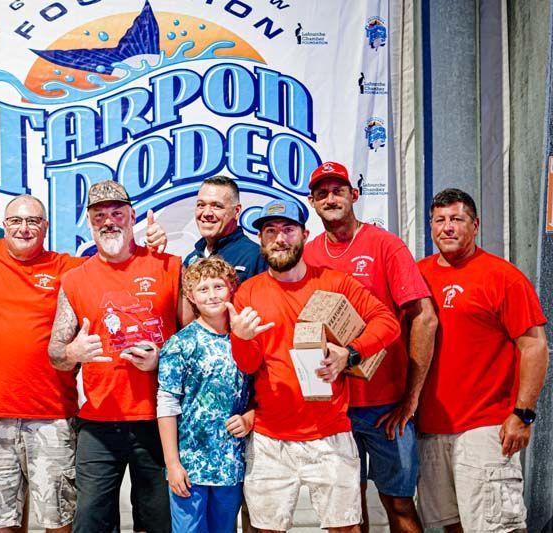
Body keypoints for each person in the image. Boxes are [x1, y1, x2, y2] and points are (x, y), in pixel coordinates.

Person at [0, 192, 168, 533]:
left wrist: (151, 245)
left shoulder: (68, 268)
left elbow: (114, 263)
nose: (24, 228)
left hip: (52, 418)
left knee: (60, 520)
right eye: (15, 221)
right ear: (3, 225)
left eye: (32, 222)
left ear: (45, 227)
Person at [228, 198, 401, 533]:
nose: (280, 238)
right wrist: (242, 338)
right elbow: (248, 365)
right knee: (264, 530)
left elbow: (387, 323)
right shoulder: (248, 292)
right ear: (261, 240)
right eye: (271, 231)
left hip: (330, 434)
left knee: (345, 529)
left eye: (288, 230)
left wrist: (349, 353)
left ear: (305, 235)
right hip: (270, 437)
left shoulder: (335, 282)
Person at [303, 161, 437, 533]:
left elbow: (424, 318)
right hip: (333, 406)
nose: (331, 198)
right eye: (322, 193)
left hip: (384, 405)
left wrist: (411, 399)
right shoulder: (309, 254)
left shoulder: (385, 245)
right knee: (347, 510)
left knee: (398, 503)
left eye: (338, 191)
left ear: (354, 195)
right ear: (312, 201)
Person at [49, 180, 185, 533]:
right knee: (90, 520)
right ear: (90, 222)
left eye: (116, 212)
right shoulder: (75, 279)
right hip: (98, 421)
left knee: (159, 521)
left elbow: (193, 343)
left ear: (132, 216)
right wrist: (72, 352)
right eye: (99, 215)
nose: (108, 221)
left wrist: (161, 360)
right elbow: (55, 354)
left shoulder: (169, 266)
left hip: (158, 419)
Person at [415, 188, 548, 533]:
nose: (448, 228)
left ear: (475, 225)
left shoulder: (502, 277)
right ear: (430, 226)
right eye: (440, 220)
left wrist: (523, 414)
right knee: (450, 525)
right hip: (430, 429)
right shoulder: (417, 276)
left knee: (494, 527)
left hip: (486, 427)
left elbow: (535, 347)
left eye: (457, 220)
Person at [158, 256, 253, 533]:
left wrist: (250, 417)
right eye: (203, 289)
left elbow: (260, 393)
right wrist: (173, 464)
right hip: (190, 467)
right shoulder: (180, 344)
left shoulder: (243, 339)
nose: (212, 295)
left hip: (230, 465)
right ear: (190, 296)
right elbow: (166, 404)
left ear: (231, 289)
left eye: (218, 286)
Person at [184, 175, 267, 284]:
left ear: (236, 212)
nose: (207, 213)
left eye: (217, 206)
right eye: (201, 205)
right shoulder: (191, 260)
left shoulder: (256, 257)